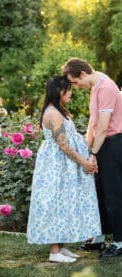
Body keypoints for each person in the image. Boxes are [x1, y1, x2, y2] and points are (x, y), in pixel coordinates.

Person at [27, 75, 101, 263]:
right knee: (55, 202)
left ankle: (60, 247)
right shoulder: (53, 113)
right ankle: (54, 252)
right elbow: (64, 145)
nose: (70, 93)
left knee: (64, 202)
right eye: (68, 89)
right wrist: (84, 162)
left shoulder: (59, 110)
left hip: (64, 166)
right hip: (57, 165)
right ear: (59, 91)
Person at [62, 57, 122, 258]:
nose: (76, 87)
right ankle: (97, 238)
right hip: (101, 144)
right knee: (97, 192)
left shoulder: (106, 87)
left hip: (113, 144)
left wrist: (94, 153)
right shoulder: (95, 87)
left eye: (75, 82)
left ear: (82, 74)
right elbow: (93, 124)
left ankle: (120, 242)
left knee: (114, 195)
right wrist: (86, 152)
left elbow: (104, 127)